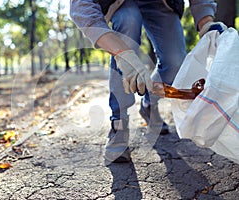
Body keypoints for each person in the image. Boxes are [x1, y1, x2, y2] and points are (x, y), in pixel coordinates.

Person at [69, 0, 226, 165]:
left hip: (161, 3)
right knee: (128, 20)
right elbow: (81, 7)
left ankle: (149, 104)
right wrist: (121, 52)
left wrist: (206, 21)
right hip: (121, 3)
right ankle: (119, 125)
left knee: (176, 63)